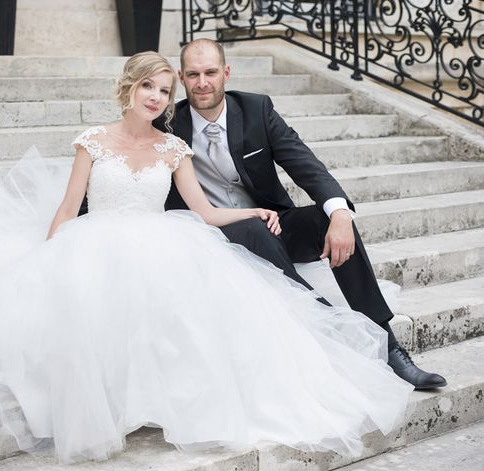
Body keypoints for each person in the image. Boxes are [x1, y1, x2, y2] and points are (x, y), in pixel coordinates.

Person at [0, 52, 413, 464]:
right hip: (104, 240)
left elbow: (207, 212)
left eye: (167, 90)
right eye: (153, 87)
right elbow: (69, 210)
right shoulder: (92, 141)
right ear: (130, 88)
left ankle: (360, 332)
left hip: (180, 235)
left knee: (197, 300)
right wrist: (47, 262)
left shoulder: (178, 144)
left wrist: (258, 214)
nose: (160, 97)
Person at [162, 38, 446, 390]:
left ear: (226, 73)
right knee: (253, 226)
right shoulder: (168, 124)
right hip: (211, 239)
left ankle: (388, 346)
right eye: (193, 74)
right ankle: (330, 324)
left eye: (210, 72)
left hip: (274, 227)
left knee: (328, 220)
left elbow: (305, 165)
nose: (202, 82)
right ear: (181, 76)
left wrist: (341, 214)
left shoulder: (256, 111)